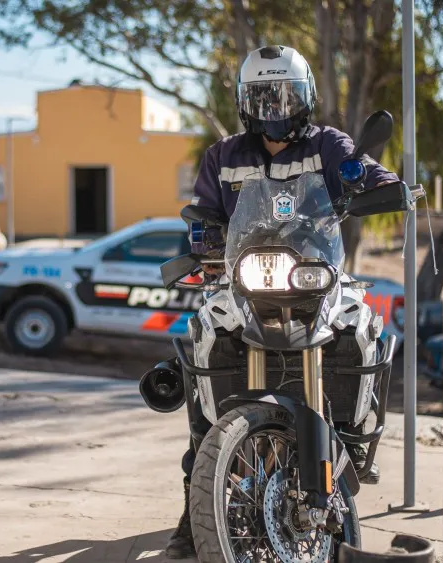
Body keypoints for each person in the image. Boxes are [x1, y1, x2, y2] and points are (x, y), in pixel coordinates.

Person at [164, 44, 400, 560]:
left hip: (316, 272)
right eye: (264, 97)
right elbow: (202, 215)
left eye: (285, 96)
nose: (275, 108)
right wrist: (203, 240)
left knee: (363, 326)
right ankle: (198, 490)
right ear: (246, 102)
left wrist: (372, 183)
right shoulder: (223, 156)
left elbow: (379, 180)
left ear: (306, 96)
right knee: (204, 337)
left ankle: (357, 439)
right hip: (246, 277)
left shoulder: (329, 145)